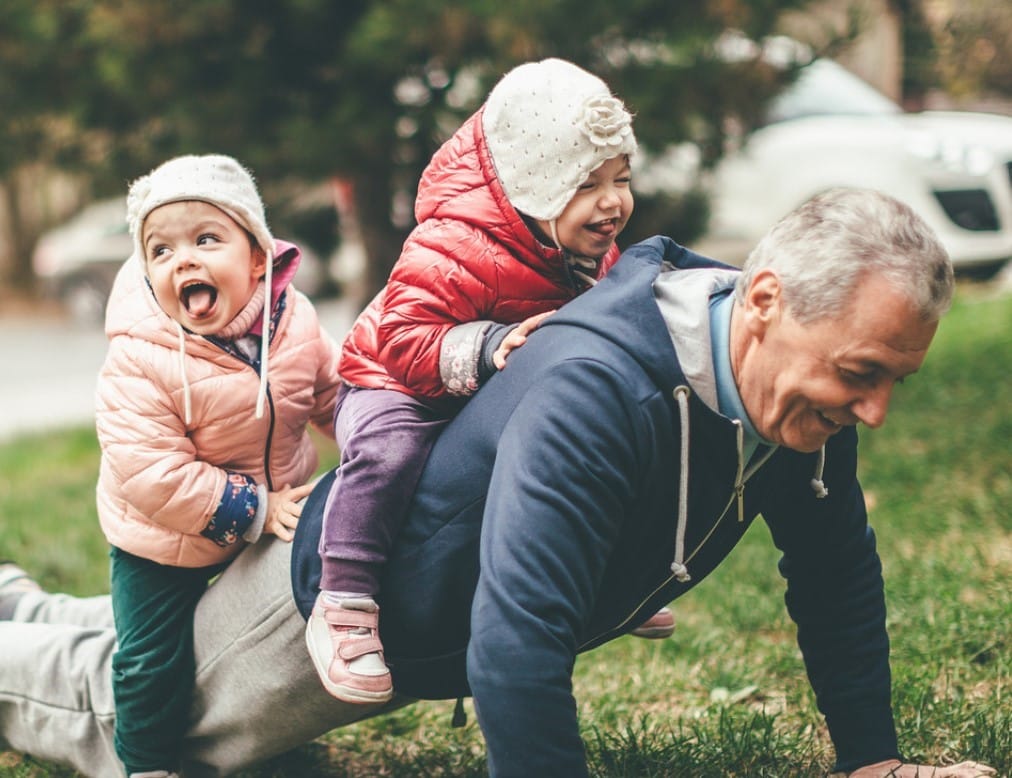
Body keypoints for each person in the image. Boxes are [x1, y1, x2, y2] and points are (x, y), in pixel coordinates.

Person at [0, 189, 997, 778]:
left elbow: (832, 570)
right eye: (862, 376)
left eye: (892, 381)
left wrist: (874, 758)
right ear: (766, 303)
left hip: (393, 608)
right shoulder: (600, 387)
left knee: (124, 637)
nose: (872, 412)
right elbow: (514, 644)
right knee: (108, 702)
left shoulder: (789, 377)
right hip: (317, 613)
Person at [307, 56, 671, 706]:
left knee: (582, 445)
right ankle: (344, 598)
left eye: (621, 177)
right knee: (389, 453)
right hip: (396, 379)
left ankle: (606, 576)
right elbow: (403, 338)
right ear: (532, 185)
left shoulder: (582, 249)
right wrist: (488, 346)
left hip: (492, 380)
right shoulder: (449, 244)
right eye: (587, 183)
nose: (613, 201)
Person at [93, 154, 342, 778]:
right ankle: (147, 762)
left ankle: (259, 728)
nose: (184, 259)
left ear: (258, 256)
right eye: (161, 249)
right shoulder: (141, 356)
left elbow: (332, 394)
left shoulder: (295, 323)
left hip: (268, 507)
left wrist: (376, 435)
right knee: (150, 657)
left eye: (207, 239)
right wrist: (256, 509)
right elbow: (150, 472)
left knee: (261, 633)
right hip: (161, 537)